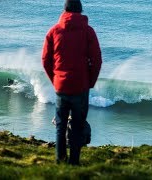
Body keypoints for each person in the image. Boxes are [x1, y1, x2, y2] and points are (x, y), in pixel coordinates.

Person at [41, 0, 102, 166]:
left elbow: (45, 59)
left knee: (60, 126)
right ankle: (74, 163)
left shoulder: (54, 30)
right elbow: (96, 60)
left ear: (64, 10)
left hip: (61, 86)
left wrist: (55, 80)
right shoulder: (88, 31)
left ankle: (60, 161)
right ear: (81, 11)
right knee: (77, 126)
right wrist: (90, 82)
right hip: (81, 86)